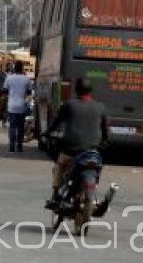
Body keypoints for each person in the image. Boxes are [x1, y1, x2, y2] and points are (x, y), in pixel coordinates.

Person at [44, 78, 109, 208]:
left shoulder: (68, 105)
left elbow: (57, 123)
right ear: (90, 91)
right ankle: (93, 187)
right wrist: (104, 142)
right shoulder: (101, 107)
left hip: (70, 150)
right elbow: (105, 130)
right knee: (97, 167)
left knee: (60, 166)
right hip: (91, 152)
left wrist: (46, 132)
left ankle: (55, 194)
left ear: (76, 90)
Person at [3, 60, 32, 153]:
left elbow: (5, 91)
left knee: (12, 127)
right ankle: (20, 146)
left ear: (14, 68)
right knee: (20, 127)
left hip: (12, 106)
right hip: (22, 106)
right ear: (22, 68)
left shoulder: (9, 78)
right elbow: (29, 92)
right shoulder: (26, 79)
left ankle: (12, 146)